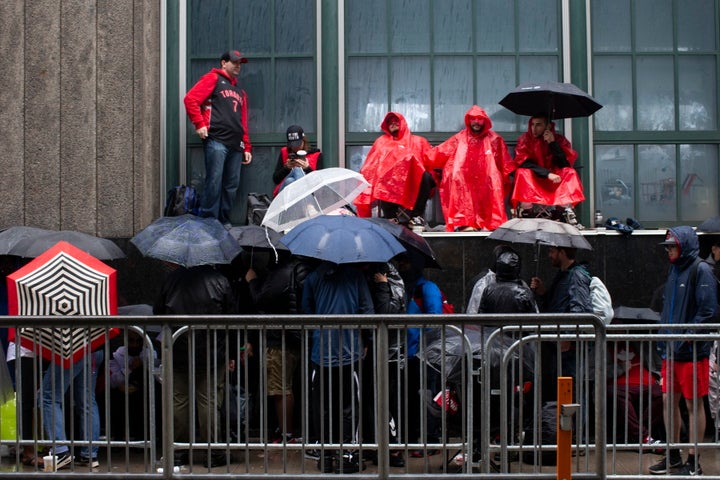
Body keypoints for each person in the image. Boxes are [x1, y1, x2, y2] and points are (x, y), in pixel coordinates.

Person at [648, 227, 717, 476]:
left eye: (672, 245)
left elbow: (708, 310)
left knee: (692, 403)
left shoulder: (701, 270)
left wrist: (687, 338)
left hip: (691, 352)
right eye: (667, 246)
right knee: (669, 401)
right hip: (672, 349)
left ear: (684, 245)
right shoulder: (675, 269)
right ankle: (674, 454)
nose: (668, 250)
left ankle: (693, 460)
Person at [153, 264, 237, 468]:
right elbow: (233, 316)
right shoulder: (220, 280)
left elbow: (157, 311)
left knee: (178, 402)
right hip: (212, 353)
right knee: (208, 402)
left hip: (178, 350)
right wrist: (232, 352)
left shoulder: (171, 279)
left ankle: (178, 452)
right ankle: (213, 452)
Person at [302, 262, 374, 474]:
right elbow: (367, 309)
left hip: (321, 350)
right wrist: (367, 338)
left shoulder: (314, 277)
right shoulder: (356, 277)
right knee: (349, 406)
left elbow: (306, 309)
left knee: (322, 407)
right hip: (349, 351)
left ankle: (325, 455)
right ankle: (347, 455)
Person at [244, 253, 314, 444]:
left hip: (279, 339)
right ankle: (290, 431)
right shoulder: (304, 268)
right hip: (296, 338)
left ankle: (286, 434)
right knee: (287, 387)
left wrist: (252, 281)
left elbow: (261, 299)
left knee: (280, 388)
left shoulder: (282, 272)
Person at [184, 50, 253, 228]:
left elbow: (243, 121)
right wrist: (199, 124)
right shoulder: (213, 79)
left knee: (231, 185)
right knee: (214, 180)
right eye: (234, 62)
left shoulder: (240, 91)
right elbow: (190, 99)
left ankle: (223, 221)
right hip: (216, 139)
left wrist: (247, 147)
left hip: (236, 145)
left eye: (240, 63)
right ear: (224, 63)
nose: (238, 66)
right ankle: (209, 221)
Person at [427, 105, 514, 232]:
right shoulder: (459, 138)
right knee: (459, 186)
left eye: (479, 119)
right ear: (469, 120)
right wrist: (424, 152)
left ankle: (489, 223)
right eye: (473, 119)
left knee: (492, 187)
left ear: (485, 120)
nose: (476, 122)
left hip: (486, 181)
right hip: (465, 179)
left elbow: (504, 162)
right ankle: (464, 223)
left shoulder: (494, 139)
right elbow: (441, 152)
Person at [530, 246, 592, 402]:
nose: (549, 255)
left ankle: (575, 426)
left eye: (552, 251)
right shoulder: (563, 275)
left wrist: (569, 338)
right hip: (561, 347)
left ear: (562, 252)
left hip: (569, 350)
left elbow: (580, 310)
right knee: (565, 394)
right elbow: (557, 305)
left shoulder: (576, 275)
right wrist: (544, 293)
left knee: (572, 395)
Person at [354, 112, 435, 227]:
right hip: (389, 182)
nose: (392, 124)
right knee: (384, 176)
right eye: (389, 122)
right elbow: (371, 165)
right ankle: (390, 216)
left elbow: (430, 160)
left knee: (426, 176)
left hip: (413, 182)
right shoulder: (381, 142)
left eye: (396, 121)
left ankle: (416, 216)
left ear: (402, 123)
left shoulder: (418, 141)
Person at [510, 114, 585, 225]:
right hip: (534, 180)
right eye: (532, 125)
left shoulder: (559, 139)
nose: (534, 129)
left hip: (555, 181)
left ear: (548, 126)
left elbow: (564, 164)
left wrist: (553, 143)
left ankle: (563, 210)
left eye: (538, 125)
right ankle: (526, 210)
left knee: (570, 172)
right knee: (522, 172)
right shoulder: (525, 140)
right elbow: (523, 163)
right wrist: (547, 174)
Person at [41, 350, 104, 469]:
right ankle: (89, 455)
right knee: (87, 401)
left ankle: (60, 451)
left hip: (72, 348)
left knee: (48, 397)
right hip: (94, 348)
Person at [272, 125, 323, 196]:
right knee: (297, 169)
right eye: (292, 145)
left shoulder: (316, 155)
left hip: (306, 191)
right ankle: (307, 203)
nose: (295, 148)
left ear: (303, 140)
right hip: (283, 194)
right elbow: (276, 180)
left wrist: (307, 168)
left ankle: (303, 202)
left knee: (289, 181)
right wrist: (286, 168)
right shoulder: (284, 152)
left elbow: (319, 182)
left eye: (297, 144)